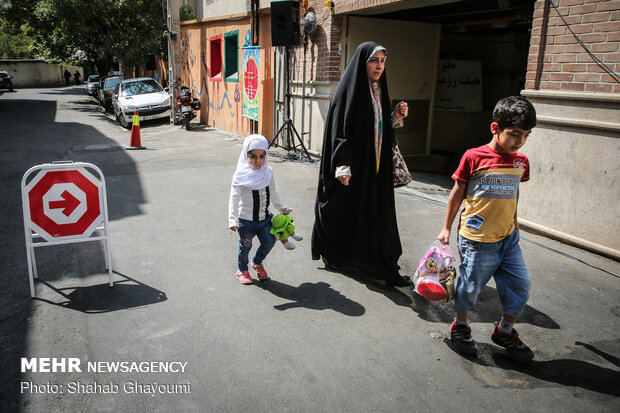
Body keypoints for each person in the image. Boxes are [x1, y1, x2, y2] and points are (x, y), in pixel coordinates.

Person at [436, 96, 537, 361]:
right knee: (470, 286)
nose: (520, 141)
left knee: (520, 286)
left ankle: (504, 330)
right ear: (495, 128)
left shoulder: (521, 162)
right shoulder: (474, 157)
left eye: (525, 135)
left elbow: (514, 192)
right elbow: (457, 192)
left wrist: (515, 220)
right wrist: (446, 227)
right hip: (477, 239)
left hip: (508, 239)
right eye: (514, 134)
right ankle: (461, 325)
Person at [311, 41, 411, 287]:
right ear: (362, 62)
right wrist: (343, 165)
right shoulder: (349, 92)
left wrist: (394, 117)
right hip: (353, 170)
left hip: (375, 168)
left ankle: (384, 266)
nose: (379, 66)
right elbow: (340, 131)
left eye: (383, 61)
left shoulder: (378, 90)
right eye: (374, 61)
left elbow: (376, 127)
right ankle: (337, 256)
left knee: (377, 216)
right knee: (346, 213)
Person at [229, 134, 291, 284]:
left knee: (269, 242)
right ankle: (242, 270)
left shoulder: (268, 172)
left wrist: (281, 207)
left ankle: (257, 262)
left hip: (264, 219)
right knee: (245, 247)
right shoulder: (240, 175)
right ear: (245, 154)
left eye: (262, 156)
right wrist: (232, 219)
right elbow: (234, 197)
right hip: (246, 221)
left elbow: (273, 191)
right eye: (252, 156)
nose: (257, 161)